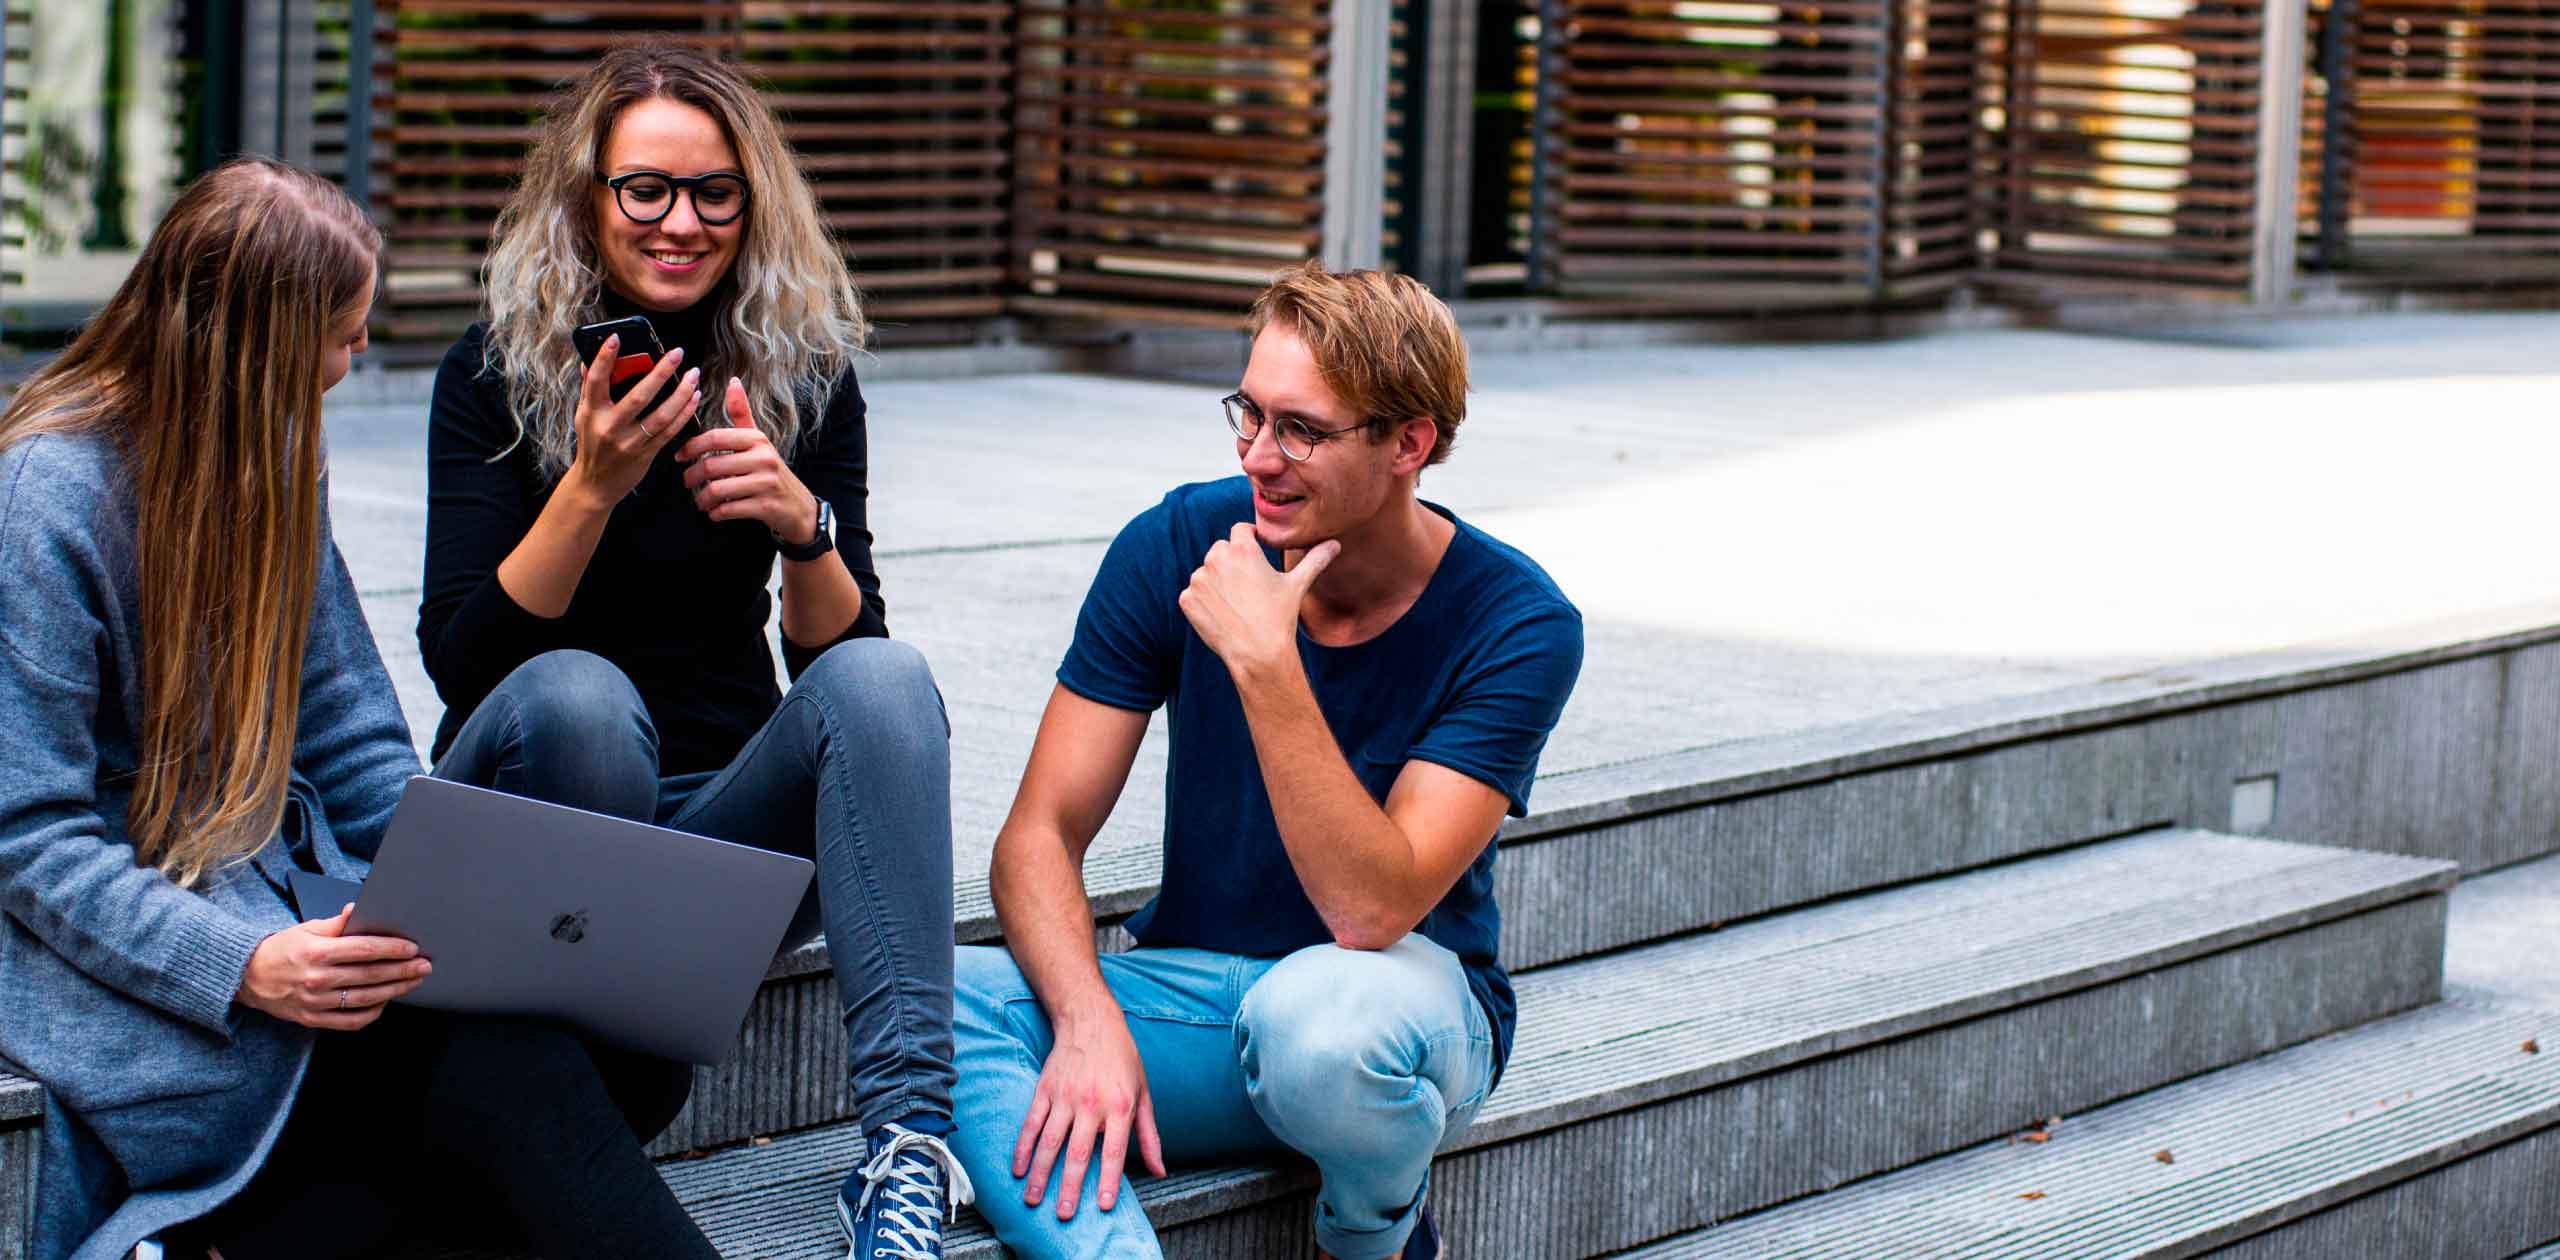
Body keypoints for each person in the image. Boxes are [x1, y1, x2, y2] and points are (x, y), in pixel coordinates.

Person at [0, 158, 721, 1260]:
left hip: (291, 904)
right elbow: (32, 838)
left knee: (629, 1047)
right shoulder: (47, 497)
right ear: (262, 345)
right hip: (149, 970)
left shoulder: (274, 450)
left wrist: (457, 901)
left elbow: (351, 734)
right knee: (503, 1072)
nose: (356, 358)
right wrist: (242, 964)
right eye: (342, 334)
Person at [414, 42, 966, 1258]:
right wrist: (594, 485)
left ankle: (906, 1154)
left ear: (752, 199)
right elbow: (462, 664)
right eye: (644, 189)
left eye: (715, 191)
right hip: (535, 814)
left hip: (716, 835)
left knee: (888, 679)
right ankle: (563, 1100)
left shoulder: (799, 374)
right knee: (580, 697)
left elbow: (844, 667)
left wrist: (799, 525)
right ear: (588, 197)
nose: (680, 222)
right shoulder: (496, 374)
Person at [952, 263, 1586, 1259]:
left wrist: (1265, 663)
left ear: (1406, 445)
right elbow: (1037, 835)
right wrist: (1083, 1020)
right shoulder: (1176, 542)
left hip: (1395, 1020)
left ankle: (1372, 1236)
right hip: (1199, 997)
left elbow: (1369, 912)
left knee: (1321, 1023)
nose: (1258, 455)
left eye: (1300, 429)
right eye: (1246, 414)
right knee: (938, 997)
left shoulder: (1516, 622)